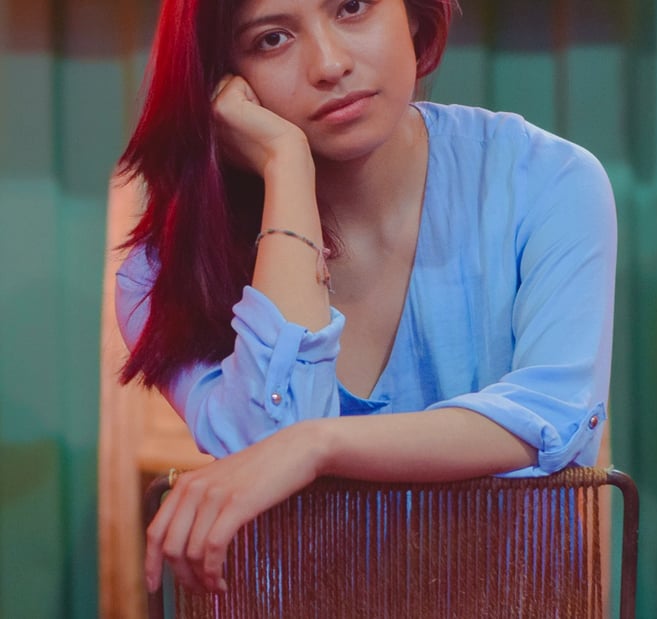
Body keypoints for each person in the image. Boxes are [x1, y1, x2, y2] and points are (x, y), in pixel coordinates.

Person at [115, 0, 617, 597]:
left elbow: (552, 418)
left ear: (410, 13)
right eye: (272, 39)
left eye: (352, 7)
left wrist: (318, 449)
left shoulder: (546, 181)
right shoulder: (165, 275)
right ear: (223, 80)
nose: (329, 64)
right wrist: (286, 165)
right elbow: (268, 441)